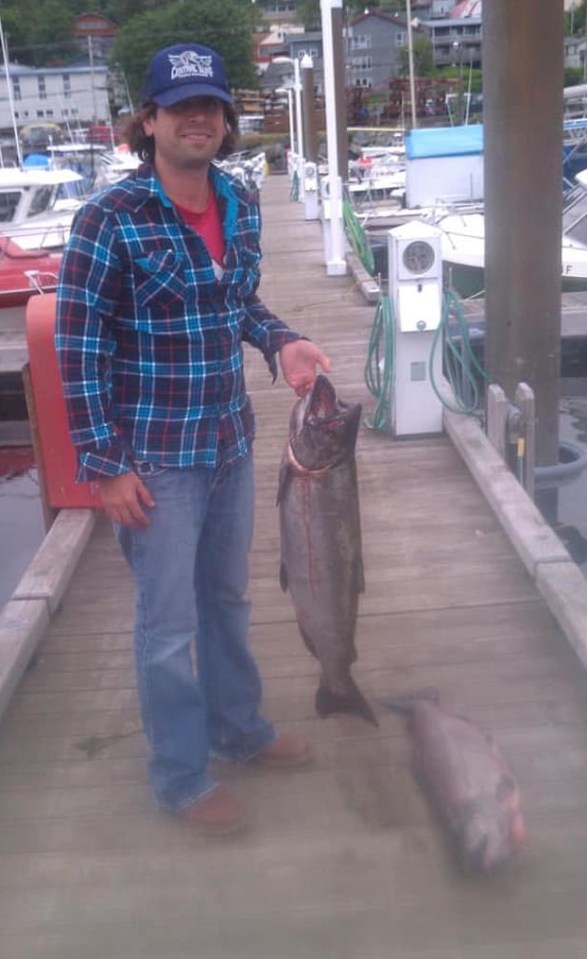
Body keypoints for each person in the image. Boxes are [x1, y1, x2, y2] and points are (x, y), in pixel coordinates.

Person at [55, 41, 330, 836]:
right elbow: (77, 348)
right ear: (150, 121)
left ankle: (238, 729)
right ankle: (180, 775)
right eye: (180, 108)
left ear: (225, 119)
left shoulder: (239, 200)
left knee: (229, 599)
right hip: (155, 460)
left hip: (230, 442)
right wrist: (105, 466)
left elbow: (235, 302)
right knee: (167, 625)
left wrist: (281, 340)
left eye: (210, 105)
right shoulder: (109, 218)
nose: (198, 119)